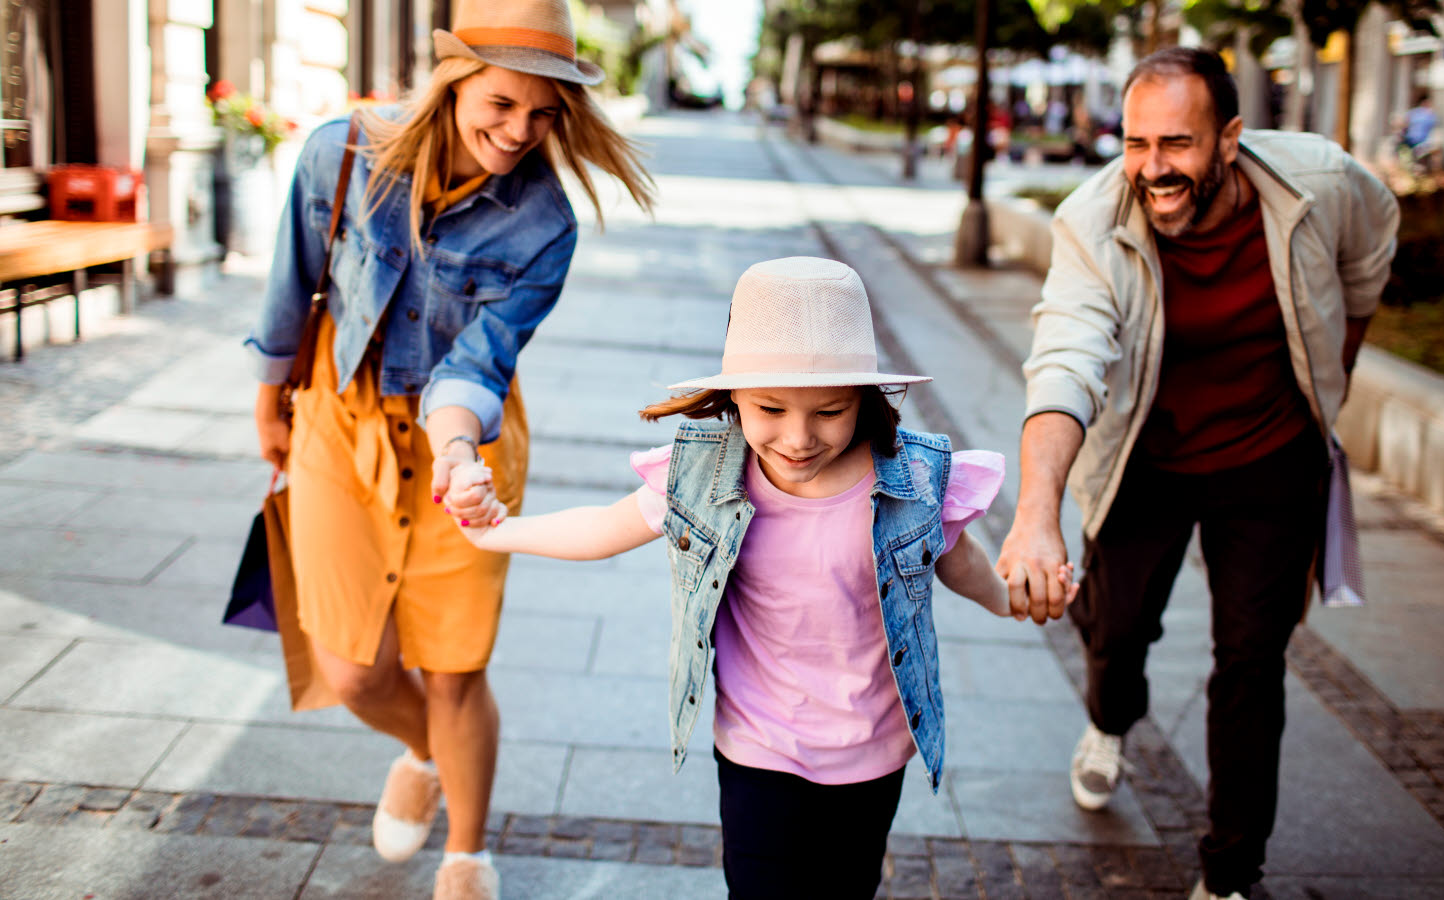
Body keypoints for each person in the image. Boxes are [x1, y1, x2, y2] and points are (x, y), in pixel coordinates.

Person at [444, 257, 1068, 899]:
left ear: (862, 399)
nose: (798, 438)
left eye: (828, 411)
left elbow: (956, 562)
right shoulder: (702, 476)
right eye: (770, 408)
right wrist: (496, 529)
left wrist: (1011, 600)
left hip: (874, 748)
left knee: (845, 890)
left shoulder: (912, 482)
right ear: (733, 395)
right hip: (757, 743)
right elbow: (601, 531)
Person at [244, 1, 654, 897]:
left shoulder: (545, 221)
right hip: (336, 421)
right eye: (504, 104)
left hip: (461, 443)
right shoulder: (341, 152)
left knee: (454, 667)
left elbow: (481, 359)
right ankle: (426, 751)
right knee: (353, 669)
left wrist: (461, 455)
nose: (521, 131)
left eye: (546, 113)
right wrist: (269, 396)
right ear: (456, 77)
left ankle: (467, 852)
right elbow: (290, 282)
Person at [995, 48, 1397, 900]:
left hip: (1269, 460)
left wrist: (1336, 381)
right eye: (1136, 143)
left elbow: (1370, 258)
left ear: (1230, 140)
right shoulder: (1093, 219)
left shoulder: (1319, 183)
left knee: (1252, 660)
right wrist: (1037, 513)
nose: (1151, 168)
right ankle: (1109, 720)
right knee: (1116, 631)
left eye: (1176, 144)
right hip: (1147, 457)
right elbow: (1065, 360)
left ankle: (1230, 874)